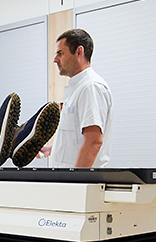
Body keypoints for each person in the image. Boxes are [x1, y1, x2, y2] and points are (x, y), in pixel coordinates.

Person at [39, 28, 113, 168]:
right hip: (67, 178)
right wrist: (52, 149)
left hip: (78, 180)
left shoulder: (91, 87)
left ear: (79, 52)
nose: (55, 59)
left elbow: (94, 142)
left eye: (60, 53)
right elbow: (77, 139)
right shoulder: (78, 88)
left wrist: (75, 179)